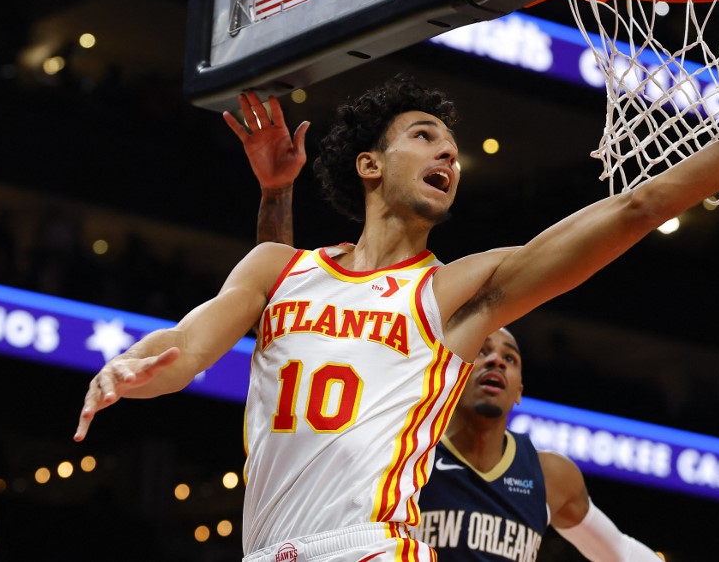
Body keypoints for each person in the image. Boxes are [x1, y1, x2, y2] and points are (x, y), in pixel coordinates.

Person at [73, 17, 719, 562]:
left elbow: (638, 207)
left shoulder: (459, 295)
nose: (448, 155)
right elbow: (190, 344)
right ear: (369, 166)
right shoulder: (275, 270)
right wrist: (134, 368)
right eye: (424, 137)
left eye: (453, 148)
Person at [228, 95, 667, 562]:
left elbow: (620, 552)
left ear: (522, 388)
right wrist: (276, 196)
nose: (495, 358)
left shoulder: (545, 475)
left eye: (511, 356)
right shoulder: (403, 446)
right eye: (484, 350)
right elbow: (290, 325)